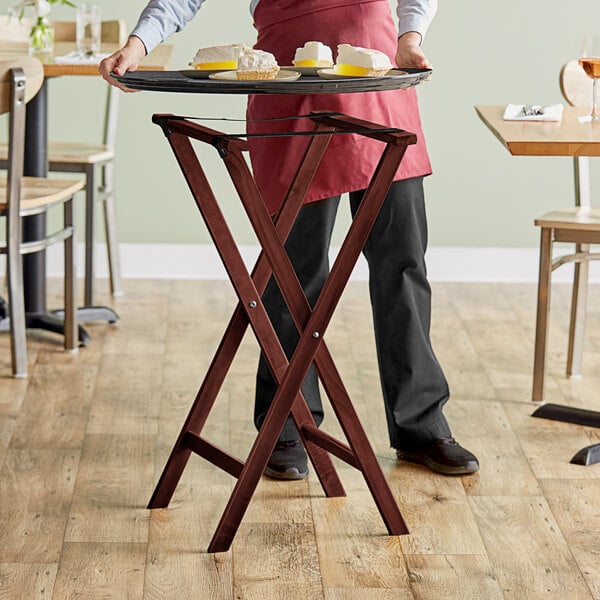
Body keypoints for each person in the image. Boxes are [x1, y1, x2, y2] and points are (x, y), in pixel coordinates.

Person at [100, 0, 480, 480]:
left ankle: (421, 426)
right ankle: (287, 427)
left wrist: (410, 38)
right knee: (291, 271)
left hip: (379, 86)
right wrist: (138, 43)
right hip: (288, 94)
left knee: (402, 264)